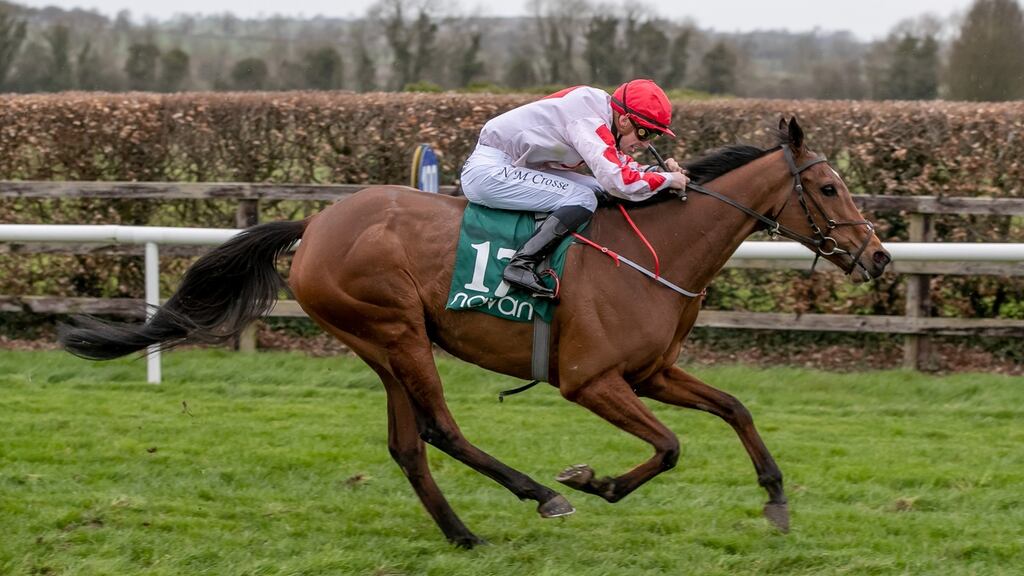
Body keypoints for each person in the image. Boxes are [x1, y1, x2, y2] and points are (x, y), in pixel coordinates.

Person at [460, 79, 690, 298]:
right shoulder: (589, 118)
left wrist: (656, 172)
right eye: (645, 133)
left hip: (516, 166)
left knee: (597, 189)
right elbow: (619, 181)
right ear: (625, 121)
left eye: (654, 135)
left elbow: (617, 166)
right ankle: (521, 264)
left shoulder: (602, 114)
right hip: (489, 172)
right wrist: (668, 180)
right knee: (583, 198)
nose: (646, 143)